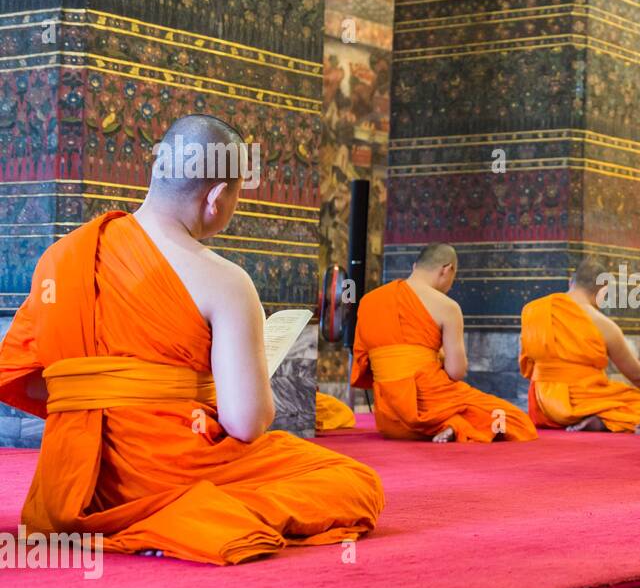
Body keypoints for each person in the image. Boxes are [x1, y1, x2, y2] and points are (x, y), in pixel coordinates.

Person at [0, 114, 384, 564]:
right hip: (174, 470)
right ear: (218, 196)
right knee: (355, 483)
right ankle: (185, 519)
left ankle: (159, 519)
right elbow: (246, 423)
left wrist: (106, 398)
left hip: (74, 485)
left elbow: (25, 380)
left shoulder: (62, 259)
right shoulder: (225, 280)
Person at [352, 243, 537, 442]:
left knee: (462, 410)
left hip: (390, 419)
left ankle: (451, 423)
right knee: (512, 419)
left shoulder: (369, 301)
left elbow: (363, 362)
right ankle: (452, 424)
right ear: (447, 269)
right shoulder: (447, 307)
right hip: (429, 402)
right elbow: (456, 372)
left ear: (415, 267)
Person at [518, 259, 640, 433]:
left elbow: (526, 364)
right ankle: (602, 419)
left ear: (571, 281)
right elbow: (637, 375)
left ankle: (593, 417)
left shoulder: (533, 311)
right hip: (585, 399)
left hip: (543, 404)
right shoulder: (603, 324)